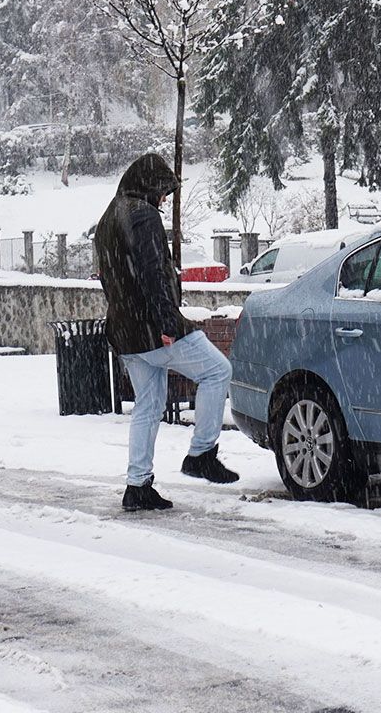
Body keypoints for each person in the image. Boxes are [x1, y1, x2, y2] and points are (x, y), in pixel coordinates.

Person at [95, 153, 238, 512]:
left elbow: (115, 278)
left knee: (149, 404)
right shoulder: (142, 216)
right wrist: (166, 324)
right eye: (163, 193)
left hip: (125, 331)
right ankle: (202, 453)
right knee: (218, 371)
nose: (164, 200)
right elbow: (153, 275)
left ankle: (137, 485)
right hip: (150, 328)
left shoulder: (108, 217)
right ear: (149, 186)